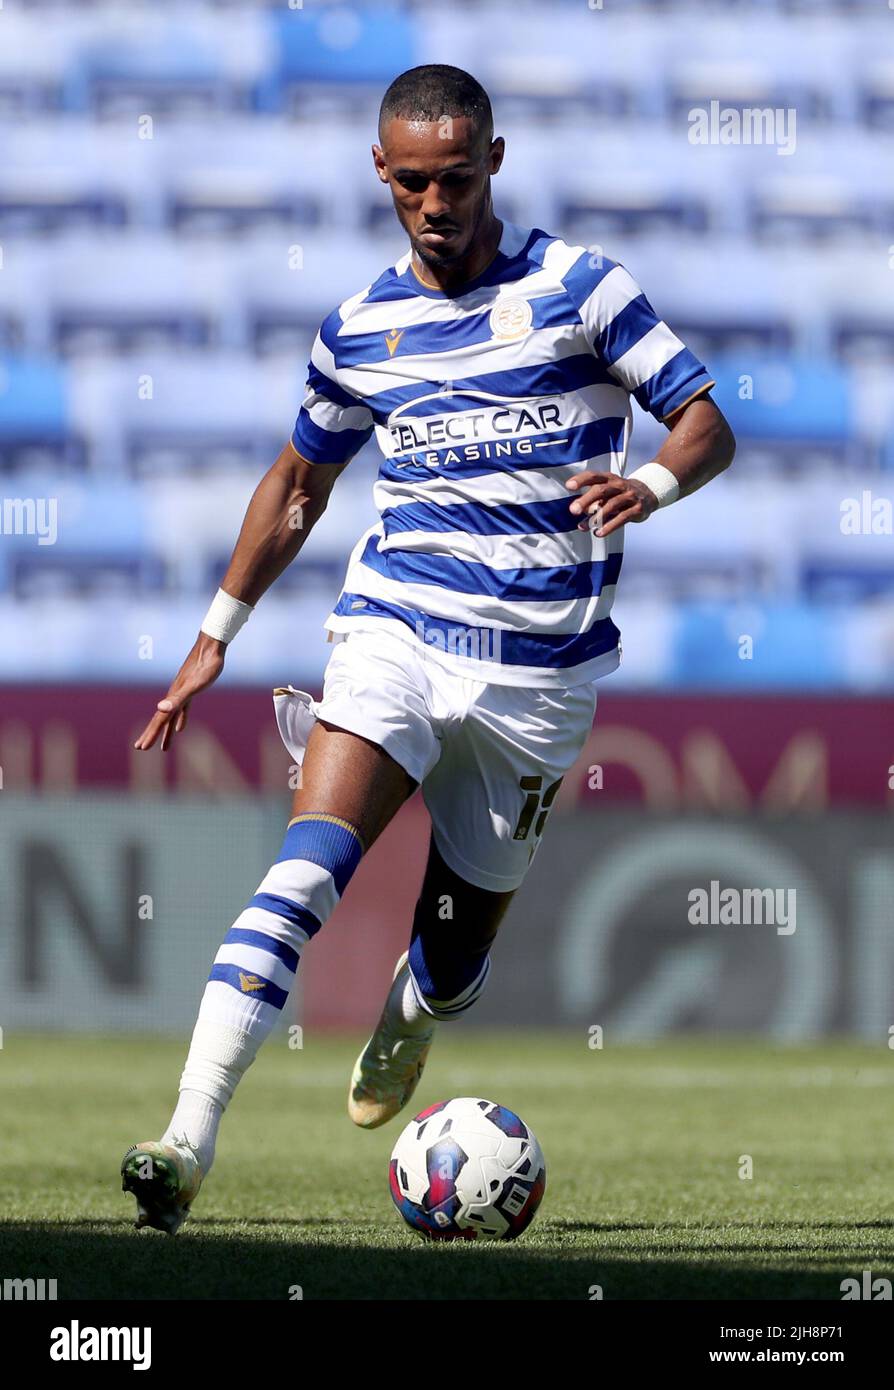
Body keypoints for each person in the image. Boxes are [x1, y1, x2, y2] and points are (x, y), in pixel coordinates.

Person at [121, 64, 736, 1233]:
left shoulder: (582, 290)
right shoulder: (359, 328)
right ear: (380, 173)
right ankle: (183, 1143)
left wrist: (651, 483)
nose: (435, 203)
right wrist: (214, 635)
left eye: (455, 178)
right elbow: (301, 482)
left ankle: (413, 1011)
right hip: (394, 633)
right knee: (304, 868)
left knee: (452, 959)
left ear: (493, 163)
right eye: (412, 182)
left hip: (537, 682)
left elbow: (708, 422)